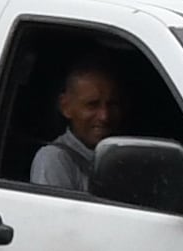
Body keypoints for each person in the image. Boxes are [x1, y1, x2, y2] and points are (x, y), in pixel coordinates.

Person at [30, 56, 130, 193]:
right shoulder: (54, 159)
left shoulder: (124, 158)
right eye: (92, 105)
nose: (105, 116)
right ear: (66, 107)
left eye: (112, 104)